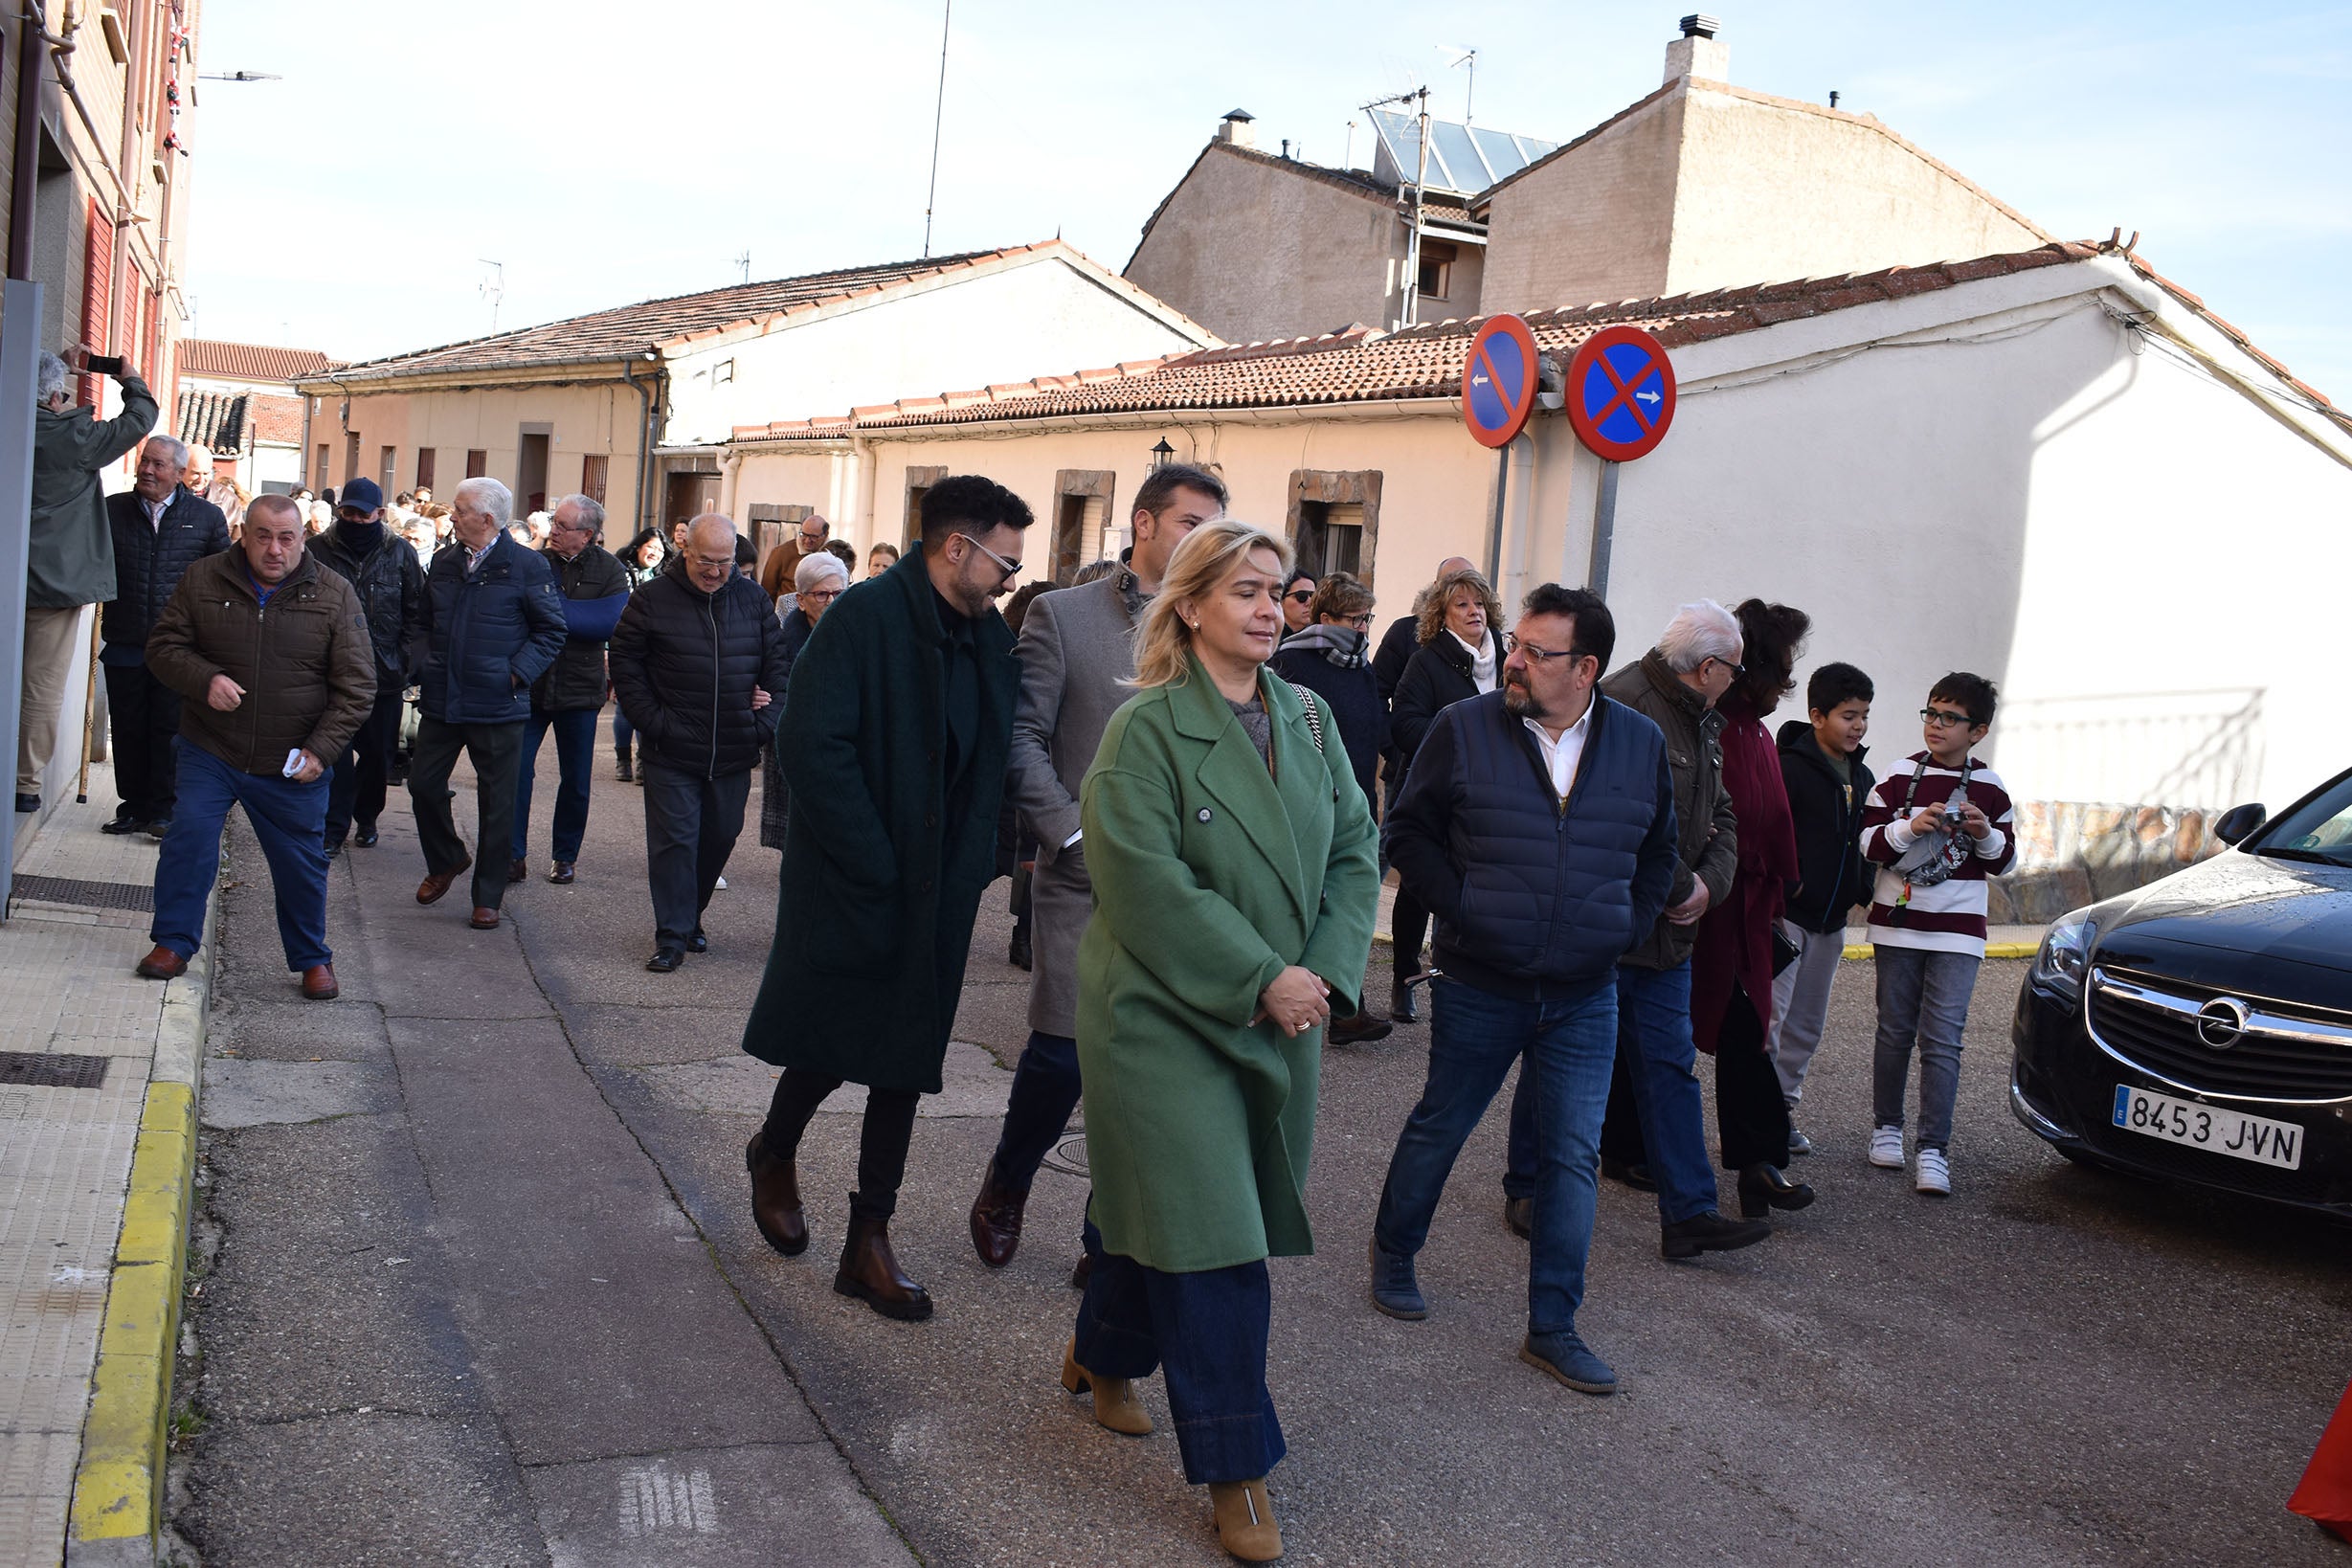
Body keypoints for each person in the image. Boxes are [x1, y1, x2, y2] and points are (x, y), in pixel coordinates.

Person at [1065, 519, 1377, 1563]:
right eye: (1242, 590)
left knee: (1159, 1209)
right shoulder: (1143, 731)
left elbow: (1353, 850)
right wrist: (1259, 977)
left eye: (1276, 590)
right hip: (1161, 1015)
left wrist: (1322, 973)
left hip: (1285, 1009)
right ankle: (1239, 1471)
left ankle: (1102, 1351)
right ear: (1190, 605)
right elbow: (1143, 884)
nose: (1264, 607)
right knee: (1217, 1241)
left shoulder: (1316, 721)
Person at [1372, 585, 1753, 1401]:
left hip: (1586, 990)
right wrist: (1465, 908)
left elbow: (1658, 851)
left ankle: (1553, 1326)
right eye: (1514, 644)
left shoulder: (1638, 743)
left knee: (1571, 1156)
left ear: (1583, 669)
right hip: (1480, 981)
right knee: (1443, 1123)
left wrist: (1622, 925)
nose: (1511, 661)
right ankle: (1395, 1256)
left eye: (1533, 653)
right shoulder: (1463, 728)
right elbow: (1407, 829)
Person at [738, 474, 1031, 1323]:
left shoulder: (984, 638)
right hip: (856, 882)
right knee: (829, 1043)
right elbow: (809, 743)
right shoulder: (864, 619)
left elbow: (991, 758)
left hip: (940, 891)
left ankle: (868, 1239)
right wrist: (872, 860)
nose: (1010, 578)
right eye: (1003, 562)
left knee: (904, 1062)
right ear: (956, 549)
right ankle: (774, 1147)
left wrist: (982, 856)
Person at [969, 463, 1225, 1272]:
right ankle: (1009, 1180)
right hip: (1085, 879)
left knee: (1145, 1069)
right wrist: (1069, 834)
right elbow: (1021, 736)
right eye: (1191, 523)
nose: (1205, 541)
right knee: (1064, 1052)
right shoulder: (1063, 615)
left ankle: (1104, 1235)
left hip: (1181, 887)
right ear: (1144, 525)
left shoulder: (1215, 624)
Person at [1551, 601, 1744, 1232]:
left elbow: (1723, 820)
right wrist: (1677, 882)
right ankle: (1532, 1192)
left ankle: (1691, 1216)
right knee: (1566, 1073)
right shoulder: (1620, 704)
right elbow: (1592, 822)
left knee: (1669, 1070)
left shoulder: (1702, 720)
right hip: (1608, 930)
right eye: (1733, 671)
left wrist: (1704, 889)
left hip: (1668, 939)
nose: (1736, 682)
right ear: (1708, 667)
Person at [134, 494, 374, 998]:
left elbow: (356, 687)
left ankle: (312, 959)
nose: (273, 549)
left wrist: (320, 751)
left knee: (301, 863)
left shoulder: (334, 594)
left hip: (290, 759)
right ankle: (174, 943)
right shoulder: (203, 578)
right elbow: (163, 648)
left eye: (286, 538)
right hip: (211, 747)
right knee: (189, 841)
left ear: (303, 538)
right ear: (243, 533)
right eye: (262, 536)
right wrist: (205, 680)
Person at [1861, 672, 2015, 1196]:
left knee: (1944, 1040)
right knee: (1894, 1030)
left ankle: (1933, 1149)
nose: (1936, 725)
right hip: (1898, 921)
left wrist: (1983, 831)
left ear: (1978, 731)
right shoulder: (1899, 773)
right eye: (1930, 713)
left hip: (1959, 931)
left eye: (1950, 718)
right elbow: (1866, 841)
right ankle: (1887, 1129)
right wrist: (1911, 826)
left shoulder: (1990, 787)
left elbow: (2007, 861)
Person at [608, 513, 787, 966]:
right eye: (705, 560)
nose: (714, 571)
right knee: (675, 842)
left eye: (724, 562)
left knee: (719, 837)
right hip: (671, 748)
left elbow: (779, 671)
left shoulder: (753, 601)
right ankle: (671, 936)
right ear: (684, 552)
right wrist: (655, 721)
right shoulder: (651, 599)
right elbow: (625, 666)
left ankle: (691, 915)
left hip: (734, 746)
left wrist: (762, 725)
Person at [1684, 599, 1813, 1219]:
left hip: (1744, 915)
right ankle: (1753, 1164)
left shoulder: (1750, 730)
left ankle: (1757, 1165)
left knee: (1742, 1036)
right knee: (1683, 1034)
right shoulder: (1714, 726)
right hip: (1705, 911)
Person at [407, 476, 567, 930]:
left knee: (498, 803)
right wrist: (424, 663)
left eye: (459, 510)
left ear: (487, 519)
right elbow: (422, 622)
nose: (451, 516)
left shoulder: (527, 566)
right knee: (422, 786)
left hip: (499, 704)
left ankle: (487, 896)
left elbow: (551, 630)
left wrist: (513, 674)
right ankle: (447, 858)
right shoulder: (444, 561)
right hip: (443, 698)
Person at [19, 347, 157, 815]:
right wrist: (128, 377)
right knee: (41, 683)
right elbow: (141, 418)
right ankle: (24, 782)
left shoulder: (9, 426)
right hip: (54, 583)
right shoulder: (74, 437)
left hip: (8, 570)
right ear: (58, 393)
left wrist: (50, 368)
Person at [1267, 569, 1393, 1044]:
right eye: (1355, 619)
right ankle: (1324, 998)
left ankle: (1344, 1002)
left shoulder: (1360, 664)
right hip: (1313, 799)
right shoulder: (1292, 664)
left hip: (1358, 791)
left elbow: (1372, 722)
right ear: (1325, 618)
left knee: (1350, 891)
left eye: (1367, 619)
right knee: (1314, 896)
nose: (1362, 629)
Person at [1384, 564, 1504, 1020]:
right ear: (1443, 615)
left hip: (1493, 792)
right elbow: (1405, 722)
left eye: (1479, 604)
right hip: (1439, 789)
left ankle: (1464, 975)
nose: (1474, 611)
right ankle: (1405, 977)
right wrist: (1456, 748)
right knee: (1420, 884)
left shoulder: (1507, 657)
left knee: (1479, 878)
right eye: (1462, 604)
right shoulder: (1427, 660)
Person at [101, 435, 229, 838]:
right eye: (145, 461)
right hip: (125, 637)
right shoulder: (112, 510)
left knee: (169, 729)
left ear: (178, 473)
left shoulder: (206, 518)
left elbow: (222, 580)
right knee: (127, 727)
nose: (148, 470)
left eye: (158, 465)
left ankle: (164, 810)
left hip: (178, 647)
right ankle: (132, 806)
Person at [1771, 661, 1876, 1149]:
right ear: (1817, 716)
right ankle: (1759, 1118)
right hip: (1789, 918)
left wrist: (1864, 887)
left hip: (1832, 923)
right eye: (1848, 716)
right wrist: (1786, 888)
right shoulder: (1788, 767)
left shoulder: (1864, 774)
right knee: (1772, 1023)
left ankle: (1783, 1113)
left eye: (1864, 717)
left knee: (1807, 1026)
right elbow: (1771, 835)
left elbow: (1865, 843)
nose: (1857, 726)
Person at [502, 494, 630, 885]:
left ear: (587, 534)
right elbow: (519, 614)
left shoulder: (610, 570)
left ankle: (565, 856)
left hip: (580, 687)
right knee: (517, 773)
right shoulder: (534, 562)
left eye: (561, 526)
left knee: (576, 779)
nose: (552, 531)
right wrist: (568, 615)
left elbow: (605, 625)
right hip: (532, 683)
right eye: (553, 523)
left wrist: (552, 609)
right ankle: (513, 854)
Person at [310, 477, 426, 857]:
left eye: (364, 513)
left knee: (379, 756)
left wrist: (406, 662)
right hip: (330, 674)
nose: (356, 520)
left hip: (385, 675)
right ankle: (334, 826)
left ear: (380, 513)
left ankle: (368, 817)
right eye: (349, 512)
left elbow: (417, 612)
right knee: (336, 753)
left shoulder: (401, 553)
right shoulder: (316, 550)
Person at [755, 550, 848, 853]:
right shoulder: (782, 640)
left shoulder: (856, 635)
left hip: (842, 742)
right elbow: (772, 686)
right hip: (793, 741)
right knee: (796, 836)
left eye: (838, 592)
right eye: (822, 594)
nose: (832, 601)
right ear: (801, 599)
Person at [757, 512, 830, 602]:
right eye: (804, 535)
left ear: (825, 535)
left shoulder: (833, 554)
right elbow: (767, 590)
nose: (807, 540)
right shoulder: (781, 553)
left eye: (813, 537)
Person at [183, 445, 248, 537]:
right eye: (196, 473)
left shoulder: (229, 500)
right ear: (182, 470)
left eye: (206, 474)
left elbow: (236, 542)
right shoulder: (167, 495)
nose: (201, 480)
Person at [1278, 568, 1316, 638]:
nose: (1310, 603)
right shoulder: (1268, 636)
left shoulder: (1320, 640)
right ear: (1281, 600)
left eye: (1313, 596)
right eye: (1301, 596)